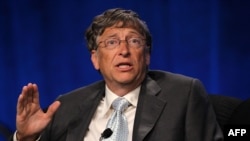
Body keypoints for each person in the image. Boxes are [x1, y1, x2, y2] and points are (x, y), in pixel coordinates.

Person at [10, 8, 223, 141]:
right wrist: (25, 138)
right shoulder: (67, 107)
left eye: (134, 41)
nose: (124, 50)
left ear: (147, 55)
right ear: (95, 59)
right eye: (111, 42)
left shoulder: (183, 94)